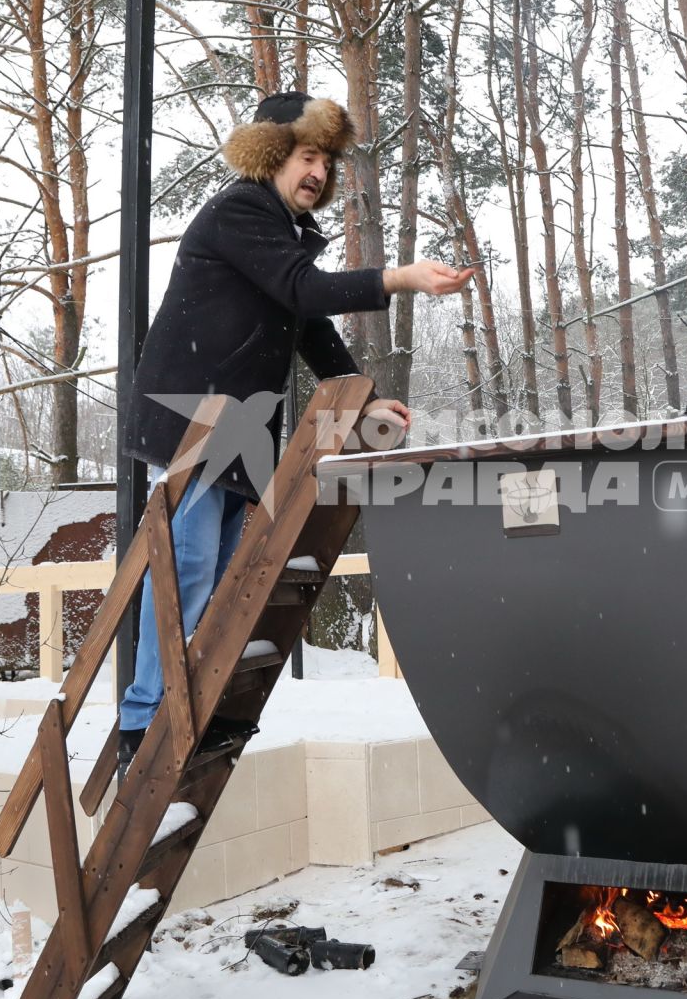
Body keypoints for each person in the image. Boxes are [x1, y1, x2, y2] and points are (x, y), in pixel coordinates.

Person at [117, 91, 470, 773]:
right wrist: (401, 278)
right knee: (185, 570)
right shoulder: (241, 209)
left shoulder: (284, 233)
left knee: (219, 584)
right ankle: (144, 721)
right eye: (306, 156)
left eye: (325, 163)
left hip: (233, 433)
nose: (316, 173)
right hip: (193, 421)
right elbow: (306, 293)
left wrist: (360, 401)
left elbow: (309, 326)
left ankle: (193, 709)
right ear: (274, 155)